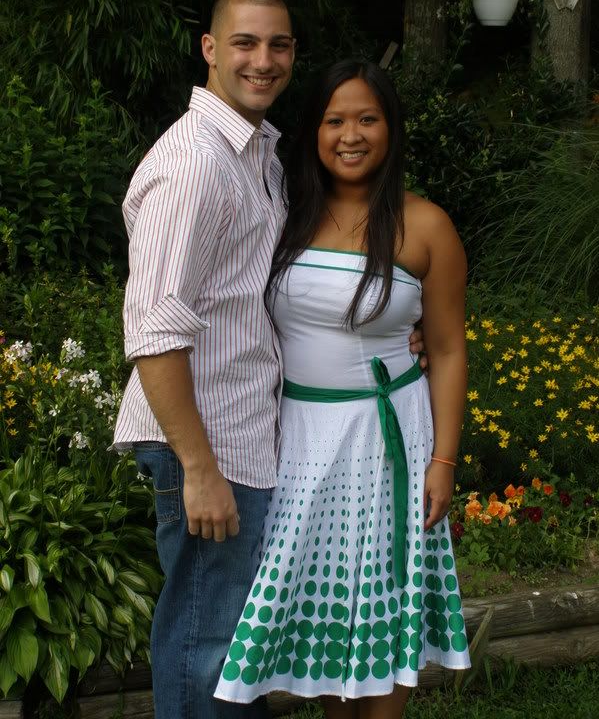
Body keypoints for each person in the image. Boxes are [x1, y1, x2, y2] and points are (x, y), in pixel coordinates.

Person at [113, 0, 426, 719]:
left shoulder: (258, 155)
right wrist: (198, 468)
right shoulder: (194, 164)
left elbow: (269, 295)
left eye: (278, 45)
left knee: (235, 651)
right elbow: (155, 329)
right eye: (245, 42)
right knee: (207, 645)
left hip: (247, 438)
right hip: (207, 442)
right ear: (209, 50)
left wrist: (394, 334)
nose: (263, 60)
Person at [215, 60, 470, 718]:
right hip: (298, 437)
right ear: (315, 131)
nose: (350, 135)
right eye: (334, 120)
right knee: (321, 591)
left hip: (388, 438)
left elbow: (446, 349)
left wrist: (444, 460)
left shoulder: (427, 226)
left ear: (391, 129)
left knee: (385, 589)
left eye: (367, 119)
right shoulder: (285, 213)